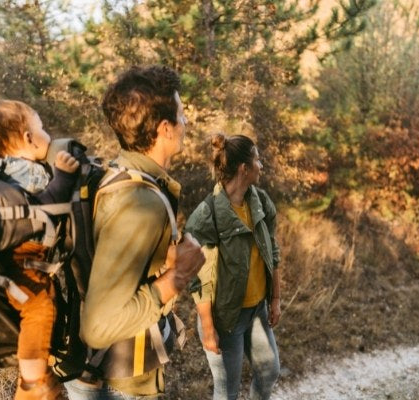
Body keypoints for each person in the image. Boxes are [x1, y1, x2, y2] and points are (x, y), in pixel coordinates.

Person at [64, 65, 205, 399]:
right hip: (116, 383)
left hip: (104, 375)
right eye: (182, 115)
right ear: (165, 129)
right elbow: (98, 327)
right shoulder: (140, 202)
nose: (187, 123)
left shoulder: (120, 174)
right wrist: (176, 278)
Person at [0, 99, 80, 400]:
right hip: (22, 257)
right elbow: (47, 207)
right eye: (41, 128)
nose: (46, 133)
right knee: (39, 307)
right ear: (29, 139)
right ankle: (32, 381)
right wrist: (65, 176)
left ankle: (37, 379)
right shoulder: (27, 172)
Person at [185, 133, 282, 400]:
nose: (261, 166)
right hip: (226, 317)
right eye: (258, 160)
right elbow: (198, 278)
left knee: (270, 371)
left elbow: (272, 251)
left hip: (257, 310)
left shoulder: (260, 202)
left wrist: (274, 299)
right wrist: (207, 326)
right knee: (227, 392)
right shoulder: (208, 215)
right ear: (244, 168)